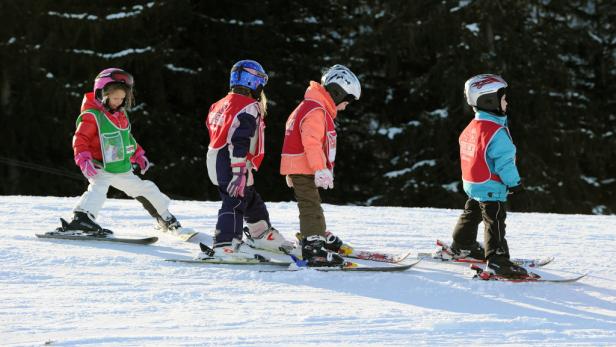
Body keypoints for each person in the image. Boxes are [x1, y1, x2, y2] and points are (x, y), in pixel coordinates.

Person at [58, 68, 184, 236]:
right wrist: (83, 159)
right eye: (115, 98)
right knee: (99, 187)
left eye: (122, 98)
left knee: (144, 188)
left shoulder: (119, 115)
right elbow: (80, 138)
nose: (118, 102)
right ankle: (81, 218)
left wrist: (138, 154)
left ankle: (165, 217)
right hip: (99, 165)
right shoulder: (92, 115)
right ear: (101, 94)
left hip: (119, 166)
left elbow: (126, 138)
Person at [203, 59, 293, 259]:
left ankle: (260, 233)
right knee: (234, 200)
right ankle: (225, 243)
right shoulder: (248, 106)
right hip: (232, 160)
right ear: (254, 82)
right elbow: (239, 140)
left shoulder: (220, 103)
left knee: (249, 197)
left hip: (218, 157)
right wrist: (238, 171)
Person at [280, 64, 361, 267]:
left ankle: (316, 235)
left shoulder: (309, 106)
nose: (344, 106)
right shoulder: (315, 110)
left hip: (300, 165)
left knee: (312, 203)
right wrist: (319, 168)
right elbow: (311, 142)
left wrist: (292, 168)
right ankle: (313, 247)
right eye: (346, 101)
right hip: (305, 165)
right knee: (310, 205)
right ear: (336, 92)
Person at [450, 73, 528, 277]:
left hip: (473, 184)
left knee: (472, 213)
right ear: (489, 100)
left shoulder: (473, 127)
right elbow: (504, 162)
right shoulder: (496, 132)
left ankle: (461, 243)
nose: (507, 102)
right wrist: (515, 183)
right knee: (495, 222)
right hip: (491, 187)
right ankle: (498, 260)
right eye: (503, 98)